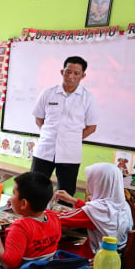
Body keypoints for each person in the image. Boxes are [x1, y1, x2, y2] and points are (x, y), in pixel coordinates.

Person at [31, 56, 99, 198]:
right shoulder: (48, 93)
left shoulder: (88, 98)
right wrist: (50, 135)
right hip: (44, 150)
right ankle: (32, 220)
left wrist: (70, 138)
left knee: (66, 195)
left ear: (83, 75)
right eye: (68, 72)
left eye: (76, 73)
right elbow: (39, 118)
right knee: (34, 190)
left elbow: (91, 127)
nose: (71, 76)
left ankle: (61, 220)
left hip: (70, 154)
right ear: (62, 72)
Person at [0, 172, 61, 269]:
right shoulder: (53, 218)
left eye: (14, 193)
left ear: (24, 203)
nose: (10, 199)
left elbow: (9, 264)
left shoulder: (20, 228)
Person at [55, 163, 132, 255]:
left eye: (90, 181)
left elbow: (57, 219)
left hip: (91, 258)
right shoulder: (124, 205)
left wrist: (45, 211)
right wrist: (74, 201)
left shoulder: (96, 210)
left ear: (98, 183)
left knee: (50, 250)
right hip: (115, 256)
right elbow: (96, 213)